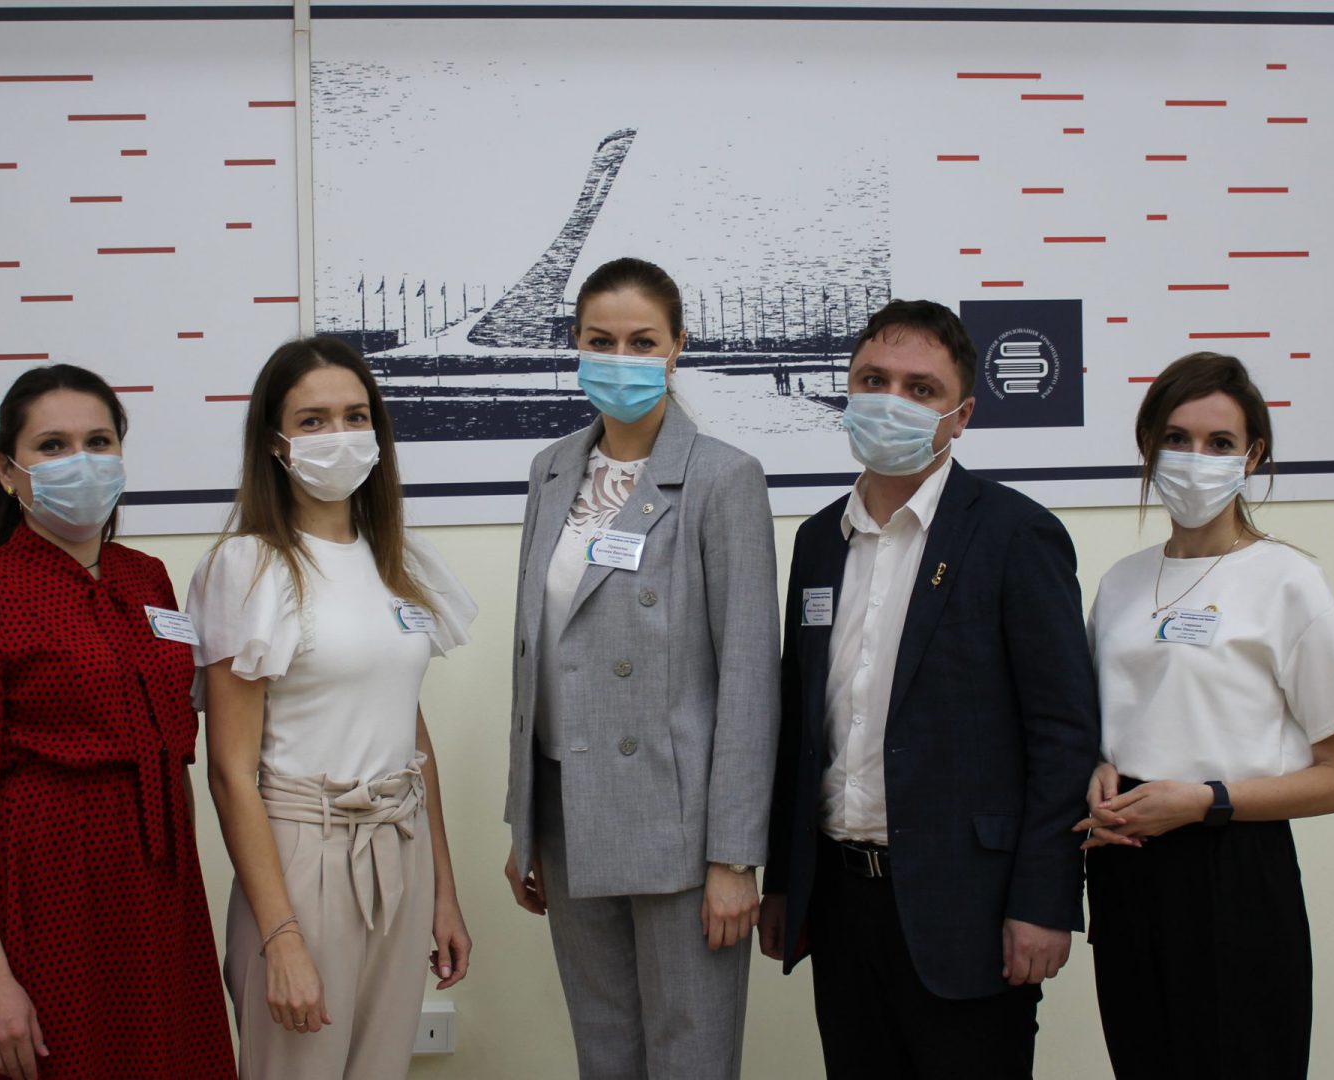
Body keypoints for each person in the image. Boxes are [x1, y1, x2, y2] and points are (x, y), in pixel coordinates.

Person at [760, 300, 1100, 1079]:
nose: (892, 401)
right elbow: (799, 722)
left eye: (920, 389)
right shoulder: (817, 542)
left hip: (970, 910)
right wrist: (785, 882)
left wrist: (1045, 900)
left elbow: (1063, 734)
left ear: (961, 414)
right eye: (873, 380)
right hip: (840, 905)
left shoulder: (1015, 534)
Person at [0, 365, 236, 1080]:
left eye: (99, 441)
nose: (81, 460)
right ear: (8, 471)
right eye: (52, 445)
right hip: (46, 898)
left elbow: (174, 741)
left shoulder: (146, 578)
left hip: (160, 895)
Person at [1075, 352, 1334, 1078]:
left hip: (1232, 866)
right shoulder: (1121, 583)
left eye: (1220, 443)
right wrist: (1095, 768)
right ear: (1148, 447)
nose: (1196, 459)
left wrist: (1205, 802)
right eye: (1176, 439)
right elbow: (1108, 725)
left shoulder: (1288, 582)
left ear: (1252, 457)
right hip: (1127, 869)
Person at [503, 256, 780, 1079]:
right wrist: (525, 824)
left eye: (641, 341)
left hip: (680, 827)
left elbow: (749, 679)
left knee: (690, 1055)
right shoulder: (552, 470)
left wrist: (734, 857)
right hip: (567, 805)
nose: (619, 358)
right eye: (600, 341)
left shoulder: (723, 477)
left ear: (676, 347)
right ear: (575, 344)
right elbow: (536, 653)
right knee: (604, 1053)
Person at [187, 336, 476, 1080]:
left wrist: (443, 891)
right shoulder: (246, 566)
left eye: (355, 417)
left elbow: (410, 730)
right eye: (312, 421)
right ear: (274, 442)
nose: (339, 436)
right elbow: (229, 771)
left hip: (400, 844)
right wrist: (280, 935)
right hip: (300, 855)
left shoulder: (398, 560)